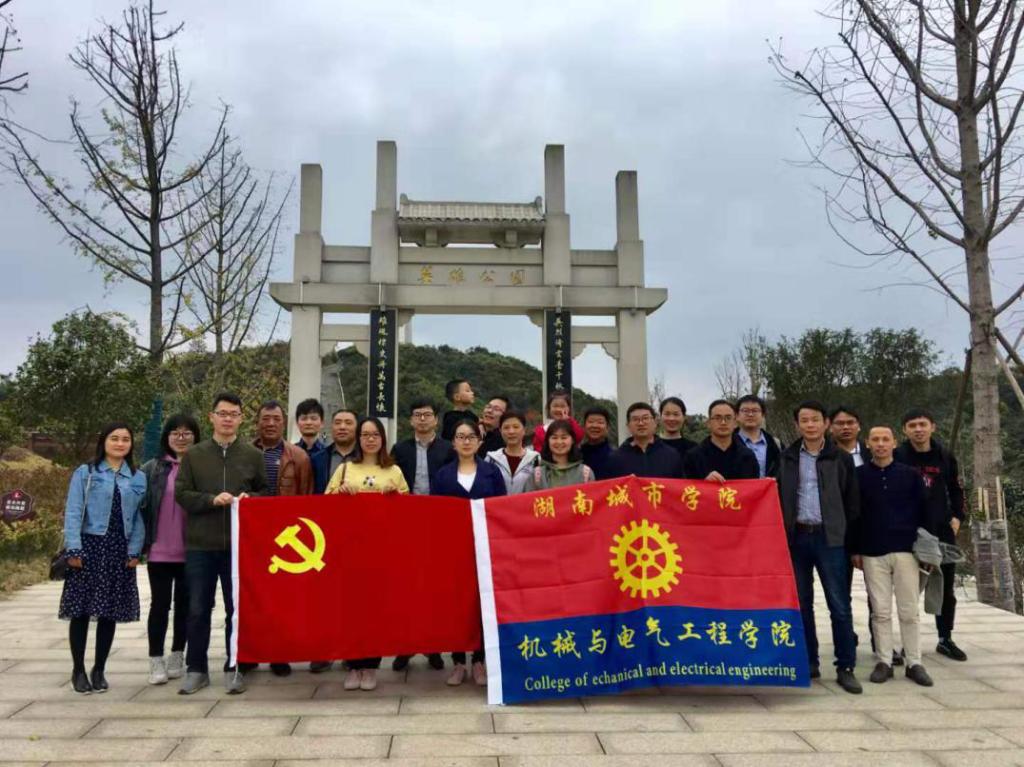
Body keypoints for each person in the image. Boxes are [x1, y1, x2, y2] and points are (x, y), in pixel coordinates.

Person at [176, 392, 268, 696]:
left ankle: (235, 666)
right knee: (197, 608)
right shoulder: (194, 455)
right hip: (201, 544)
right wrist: (210, 500)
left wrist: (250, 500)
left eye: (234, 414)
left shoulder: (253, 455)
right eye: (223, 413)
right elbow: (182, 494)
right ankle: (196, 669)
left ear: (242, 419)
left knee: (236, 609)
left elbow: (266, 493)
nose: (228, 419)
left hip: (238, 547)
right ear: (211, 417)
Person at [778, 400, 862, 694]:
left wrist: (851, 543)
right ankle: (809, 661)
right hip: (797, 538)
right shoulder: (786, 458)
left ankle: (845, 666)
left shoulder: (840, 458)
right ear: (797, 425)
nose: (810, 425)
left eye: (815, 419)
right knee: (802, 603)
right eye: (804, 420)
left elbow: (852, 503)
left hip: (831, 539)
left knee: (839, 605)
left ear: (826, 423)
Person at [60, 422, 147, 694]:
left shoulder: (137, 477)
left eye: (125, 439)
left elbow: (139, 517)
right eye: (114, 438)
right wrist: (74, 548)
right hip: (90, 546)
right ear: (104, 441)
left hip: (119, 549)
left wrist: (135, 550)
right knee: (81, 611)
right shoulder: (86, 473)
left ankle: (99, 669)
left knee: (109, 611)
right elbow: (73, 511)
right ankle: (78, 670)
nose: (120, 444)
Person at [325, 416, 409, 691]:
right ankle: (353, 665)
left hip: (382, 552)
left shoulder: (394, 471)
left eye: (375, 434)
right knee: (350, 610)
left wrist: (396, 497)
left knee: (376, 610)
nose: (370, 439)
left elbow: (410, 512)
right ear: (358, 439)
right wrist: (340, 493)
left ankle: (371, 665)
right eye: (365, 434)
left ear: (383, 438)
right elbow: (324, 506)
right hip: (349, 551)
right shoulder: (345, 469)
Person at [851, 426, 934, 687]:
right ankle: (884, 661)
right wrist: (855, 549)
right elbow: (854, 514)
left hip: (906, 550)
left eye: (885, 439)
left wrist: (928, 549)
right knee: (880, 610)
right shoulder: (859, 475)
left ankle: (914, 662)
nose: (880, 444)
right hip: (872, 550)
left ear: (894, 443)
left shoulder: (910, 475)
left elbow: (925, 512)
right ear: (867, 443)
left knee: (909, 610)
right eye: (875, 439)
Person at [433, 418, 506, 687]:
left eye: (471, 437)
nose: (466, 442)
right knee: (456, 605)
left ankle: (479, 660)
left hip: (485, 547)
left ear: (480, 441)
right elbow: (434, 513)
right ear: (453, 443)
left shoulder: (491, 472)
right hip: (452, 549)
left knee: (482, 603)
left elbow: (501, 508)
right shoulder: (443, 475)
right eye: (460, 437)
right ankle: (458, 662)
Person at [895, 408, 968, 662]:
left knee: (945, 587)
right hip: (909, 531)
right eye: (912, 425)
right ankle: (908, 643)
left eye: (922, 424)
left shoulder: (944, 456)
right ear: (904, 430)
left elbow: (956, 489)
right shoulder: (898, 455)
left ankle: (945, 638)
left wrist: (958, 517)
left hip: (941, 531)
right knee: (909, 590)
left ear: (932, 427)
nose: (918, 429)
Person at [390, 399, 453, 672]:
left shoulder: (448, 449)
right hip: (406, 524)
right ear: (411, 420)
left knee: (434, 588)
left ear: (436, 419)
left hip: (438, 524)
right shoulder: (399, 449)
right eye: (418, 415)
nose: (423, 419)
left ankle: (433, 647)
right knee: (406, 588)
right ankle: (405, 647)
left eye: (428, 415)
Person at [253, 400, 314, 677]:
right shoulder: (245, 453)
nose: (270, 424)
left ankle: (279, 653)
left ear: (284, 422)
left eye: (276, 419)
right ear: (257, 422)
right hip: (252, 537)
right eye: (265, 418)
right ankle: (250, 653)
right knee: (251, 598)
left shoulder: (298, 457)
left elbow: (306, 499)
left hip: (285, 539)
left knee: (281, 600)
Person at [141, 414, 200, 686]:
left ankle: (178, 654)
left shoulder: (201, 467)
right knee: (160, 605)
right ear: (167, 437)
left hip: (192, 549)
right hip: (159, 550)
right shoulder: (151, 469)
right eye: (175, 432)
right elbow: (140, 507)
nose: (181, 437)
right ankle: (156, 658)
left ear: (196, 437)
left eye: (187, 433)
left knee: (185, 606)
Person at [682, 400, 760, 481]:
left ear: (735, 423)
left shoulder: (747, 456)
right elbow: (686, 487)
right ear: (708, 423)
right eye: (717, 418)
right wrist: (704, 484)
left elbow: (755, 487)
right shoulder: (693, 457)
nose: (723, 422)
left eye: (728, 418)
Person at [606, 402, 683, 479]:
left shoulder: (672, 455)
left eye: (645, 418)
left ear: (655, 423)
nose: (641, 423)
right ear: (628, 426)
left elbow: (680, 484)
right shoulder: (616, 458)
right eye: (635, 419)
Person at [524, 419, 594, 490]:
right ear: (548, 441)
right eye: (554, 438)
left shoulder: (585, 473)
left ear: (572, 440)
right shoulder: (537, 475)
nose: (559, 442)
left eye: (564, 438)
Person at [486, 410, 540, 494]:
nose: (511, 431)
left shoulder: (535, 459)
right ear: (500, 431)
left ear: (524, 430)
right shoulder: (491, 459)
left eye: (516, 427)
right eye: (506, 428)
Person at [312, 408, 359, 494]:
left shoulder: (367, 457)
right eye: (337, 423)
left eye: (348, 423)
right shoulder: (317, 459)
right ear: (331, 428)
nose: (342, 427)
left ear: (358, 428)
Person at [736, 394, 783, 479]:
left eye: (755, 410)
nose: (750, 414)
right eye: (745, 411)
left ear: (763, 415)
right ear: (737, 416)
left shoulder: (776, 444)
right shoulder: (727, 443)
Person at [580, 405, 615, 479]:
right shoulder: (577, 455)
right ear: (584, 426)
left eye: (600, 422)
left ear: (607, 427)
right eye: (591, 422)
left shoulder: (615, 457)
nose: (595, 425)